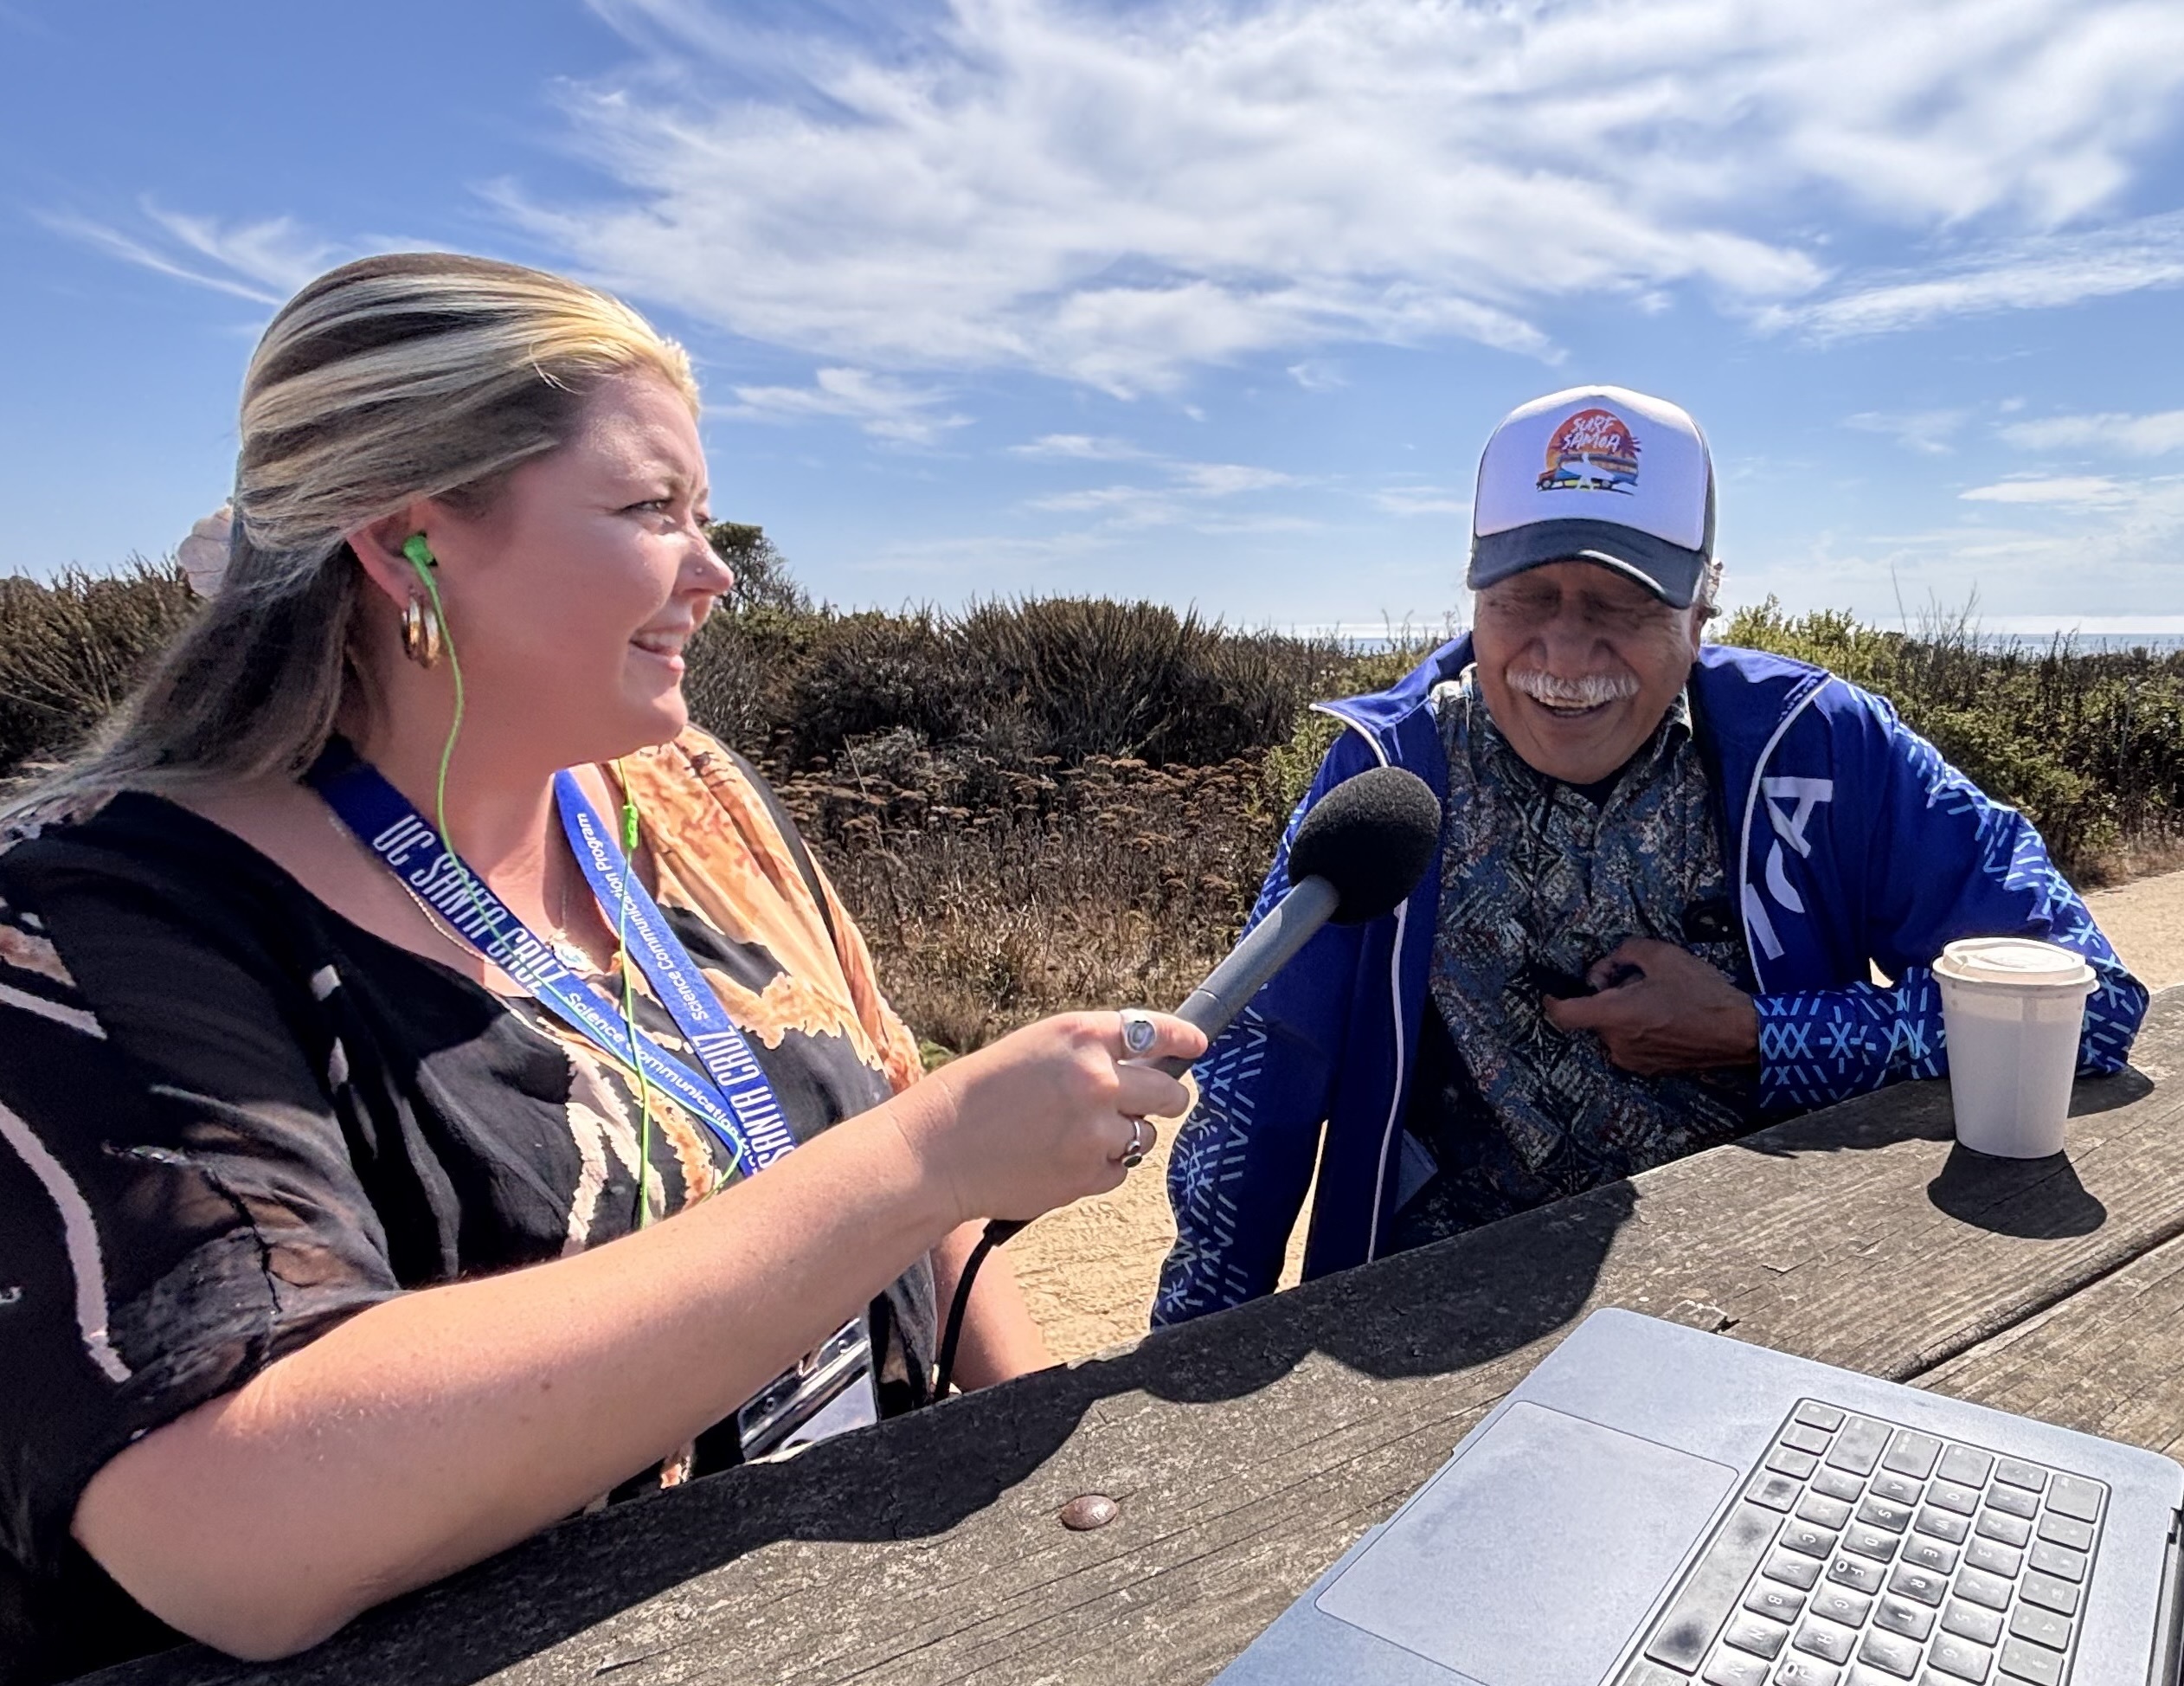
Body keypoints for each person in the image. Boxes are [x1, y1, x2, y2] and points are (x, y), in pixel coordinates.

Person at [0, 253, 1203, 1683]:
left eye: (702, 516)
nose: (714, 572)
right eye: (650, 512)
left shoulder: (681, 795)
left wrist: (1067, 1516)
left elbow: (887, 1127)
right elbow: (235, 1532)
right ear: (407, 545)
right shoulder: (96, 915)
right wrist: (929, 1159)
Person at [1155, 384, 2148, 1327]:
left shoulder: (1823, 747)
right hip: (1429, 1316)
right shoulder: (1385, 771)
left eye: (1621, 604)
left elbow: (2093, 1004)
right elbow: (1256, 1083)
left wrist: (1760, 1032)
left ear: (1702, 604)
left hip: (1782, 1290)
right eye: (1523, 596)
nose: (1564, 653)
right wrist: (1185, 1360)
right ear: (1472, 595)